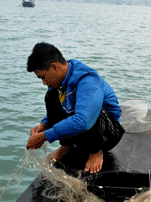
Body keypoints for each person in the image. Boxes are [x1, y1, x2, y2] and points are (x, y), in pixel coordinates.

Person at [26, 42, 124, 174]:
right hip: (89, 125)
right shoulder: (62, 79)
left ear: (54, 67)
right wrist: (44, 125)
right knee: (51, 96)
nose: (44, 82)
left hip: (108, 131)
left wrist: (44, 137)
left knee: (87, 114)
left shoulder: (86, 80)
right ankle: (66, 146)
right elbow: (59, 107)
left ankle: (96, 151)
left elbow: (84, 121)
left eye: (43, 77)